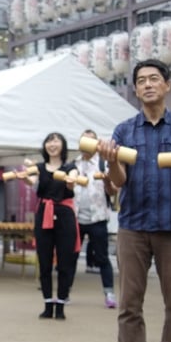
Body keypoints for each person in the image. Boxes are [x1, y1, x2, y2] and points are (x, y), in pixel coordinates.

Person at [98, 58, 171, 342]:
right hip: (133, 225)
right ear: (136, 89)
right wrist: (112, 160)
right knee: (130, 302)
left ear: (167, 85)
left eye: (154, 79)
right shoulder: (124, 131)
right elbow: (118, 181)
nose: (147, 85)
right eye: (141, 80)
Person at [25, 132, 79, 320]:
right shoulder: (39, 168)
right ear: (45, 146)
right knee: (45, 261)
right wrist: (24, 176)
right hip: (44, 213)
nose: (52, 144)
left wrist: (71, 181)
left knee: (65, 262)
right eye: (49, 140)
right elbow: (31, 180)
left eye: (56, 141)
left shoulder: (70, 167)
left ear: (63, 145)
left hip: (64, 215)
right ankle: (48, 303)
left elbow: (72, 181)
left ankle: (61, 304)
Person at [73, 129, 117, 309]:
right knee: (71, 256)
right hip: (76, 217)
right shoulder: (73, 164)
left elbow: (113, 190)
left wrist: (107, 180)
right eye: (84, 140)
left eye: (91, 141)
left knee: (102, 257)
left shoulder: (102, 163)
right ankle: (64, 292)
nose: (87, 143)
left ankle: (109, 293)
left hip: (98, 217)